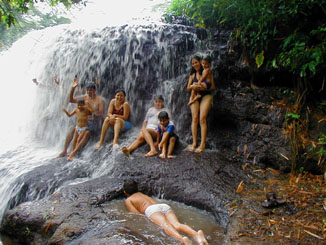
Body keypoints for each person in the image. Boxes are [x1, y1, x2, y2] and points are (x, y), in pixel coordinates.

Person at [123, 180, 208, 245]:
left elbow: (135, 214)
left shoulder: (129, 200)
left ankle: (183, 240)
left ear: (125, 192)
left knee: (165, 225)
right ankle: (196, 235)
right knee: (176, 224)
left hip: (151, 210)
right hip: (164, 206)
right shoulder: (143, 194)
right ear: (137, 188)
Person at [57, 77, 105, 158]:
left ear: (94, 90)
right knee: (72, 128)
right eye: (88, 90)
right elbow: (71, 100)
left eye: (91, 90)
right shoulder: (84, 98)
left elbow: (101, 114)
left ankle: (74, 152)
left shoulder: (100, 100)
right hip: (83, 123)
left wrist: (92, 114)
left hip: (94, 124)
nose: (89, 92)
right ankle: (64, 151)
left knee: (86, 133)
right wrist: (73, 88)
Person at [187, 55, 215, 153]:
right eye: (193, 63)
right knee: (194, 118)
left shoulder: (207, 72)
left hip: (206, 95)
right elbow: (187, 88)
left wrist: (204, 88)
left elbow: (212, 87)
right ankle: (194, 143)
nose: (195, 64)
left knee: (202, 118)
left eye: (196, 62)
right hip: (195, 96)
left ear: (201, 62)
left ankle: (202, 144)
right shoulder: (192, 75)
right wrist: (193, 86)